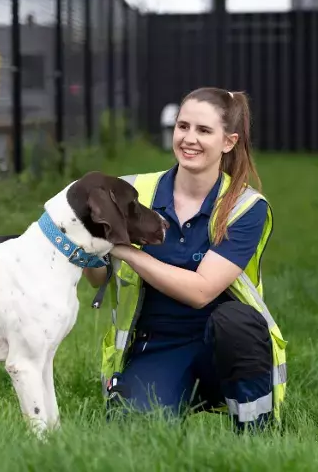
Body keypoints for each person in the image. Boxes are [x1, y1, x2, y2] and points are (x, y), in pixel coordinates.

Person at [85, 87, 287, 432]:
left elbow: (202, 291)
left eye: (204, 131)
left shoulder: (245, 207)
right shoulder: (133, 192)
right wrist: (92, 240)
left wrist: (125, 250)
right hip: (157, 345)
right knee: (135, 432)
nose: (189, 139)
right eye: (183, 126)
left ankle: (256, 435)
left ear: (228, 141)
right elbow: (98, 280)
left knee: (236, 322)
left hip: (224, 347)